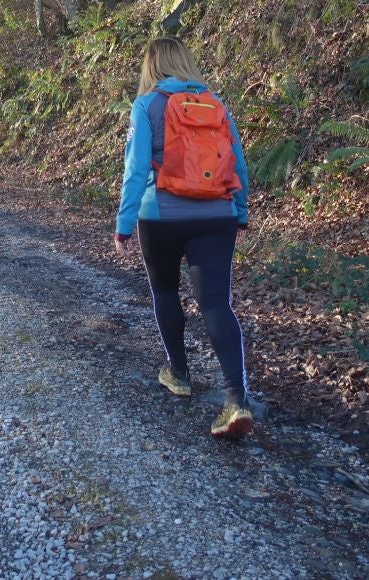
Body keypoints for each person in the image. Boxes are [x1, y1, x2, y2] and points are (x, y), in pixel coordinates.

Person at [114, 36, 253, 439]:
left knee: (165, 291)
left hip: (160, 216)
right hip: (217, 215)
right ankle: (236, 400)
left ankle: (178, 372)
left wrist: (123, 225)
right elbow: (238, 164)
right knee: (215, 302)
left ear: (151, 66)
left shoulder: (146, 105)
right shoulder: (217, 104)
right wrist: (240, 212)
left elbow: (136, 170)